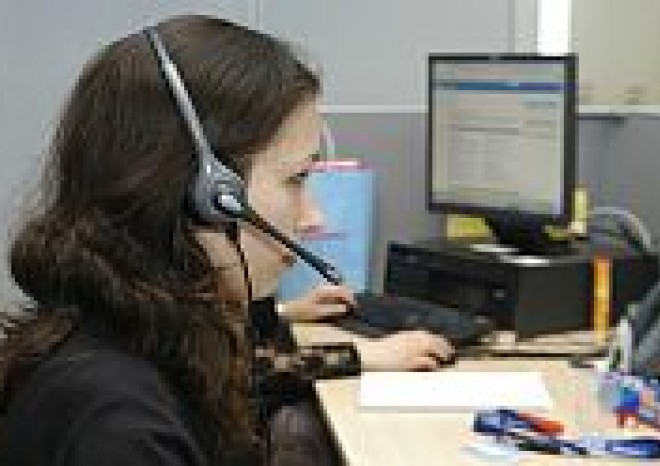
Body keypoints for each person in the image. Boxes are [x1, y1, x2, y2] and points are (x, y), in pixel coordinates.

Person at [0, 15, 453, 465]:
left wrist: (339, 347)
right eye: (296, 179)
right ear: (209, 196)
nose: (314, 218)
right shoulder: (118, 425)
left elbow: (236, 378)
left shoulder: (143, 332)